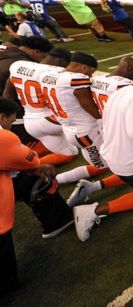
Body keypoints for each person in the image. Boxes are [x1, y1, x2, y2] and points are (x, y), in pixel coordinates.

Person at [73, 69, 133, 242]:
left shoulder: (121, 92)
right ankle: (92, 211)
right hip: (130, 159)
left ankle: (92, 187)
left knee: (129, 175)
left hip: (113, 152)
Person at [0, 97, 73, 295]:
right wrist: (39, 166)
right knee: (41, 180)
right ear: (1, 117)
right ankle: (56, 221)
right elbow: (31, 162)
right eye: (11, 120)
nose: (11, 125)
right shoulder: (3, 137)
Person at [39, 52, 123, 202]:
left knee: (102, 163)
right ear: (84, 67)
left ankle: (57, 179)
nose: (90, 76)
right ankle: (67, 183)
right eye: (91, 72)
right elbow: (87, 104)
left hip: (71, 128)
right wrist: (104, 120)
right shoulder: (76, 79)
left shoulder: (49, 75)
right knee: (111, 164)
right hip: (86, 132)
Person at [3, 47, 78, 167]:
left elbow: (8, 96)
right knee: (91, 121)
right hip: (48, 120)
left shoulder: (19, 66)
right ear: (61, 61)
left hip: (29, 120)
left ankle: (21, 164)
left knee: (70, 152)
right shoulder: (56, 73)